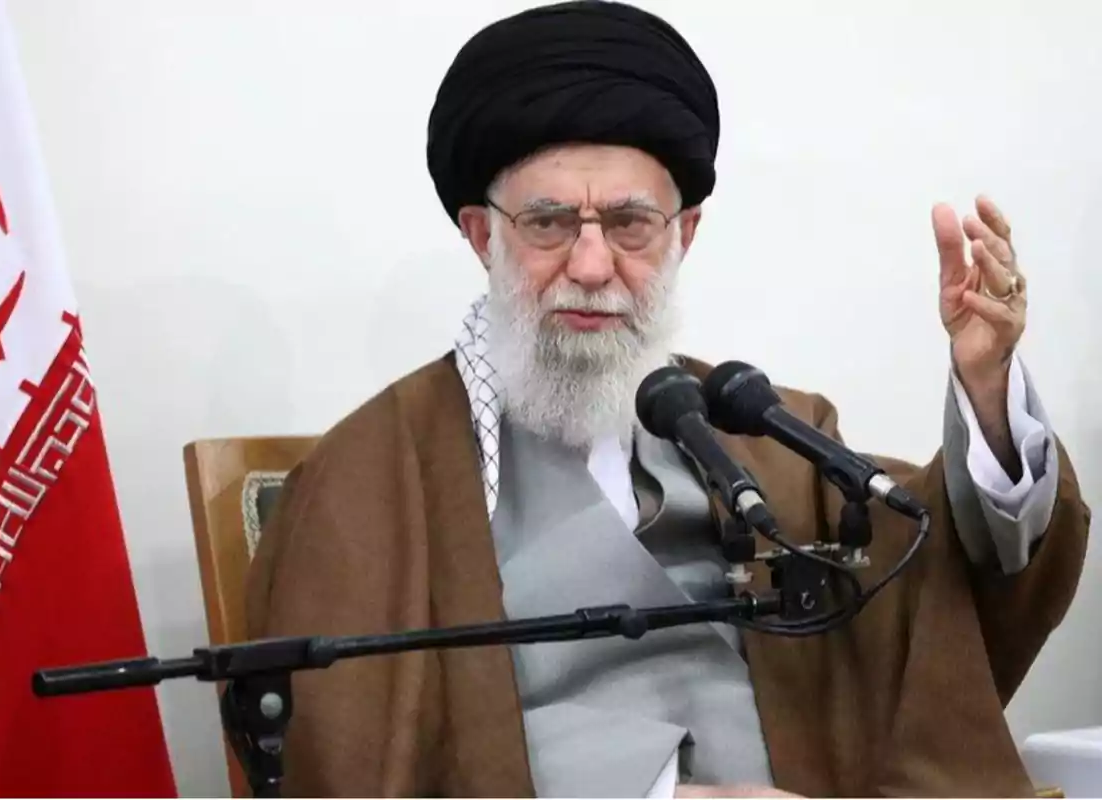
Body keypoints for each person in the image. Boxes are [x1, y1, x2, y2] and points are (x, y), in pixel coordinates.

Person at [245, 1, 1091, 796]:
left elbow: (924, 566)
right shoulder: (371, 476)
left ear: (683, 234)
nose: (589, 265)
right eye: (546, 224)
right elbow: (335, 735)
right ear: (482, 235)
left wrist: (985, 387)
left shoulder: (758, 424)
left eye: (628, 224)